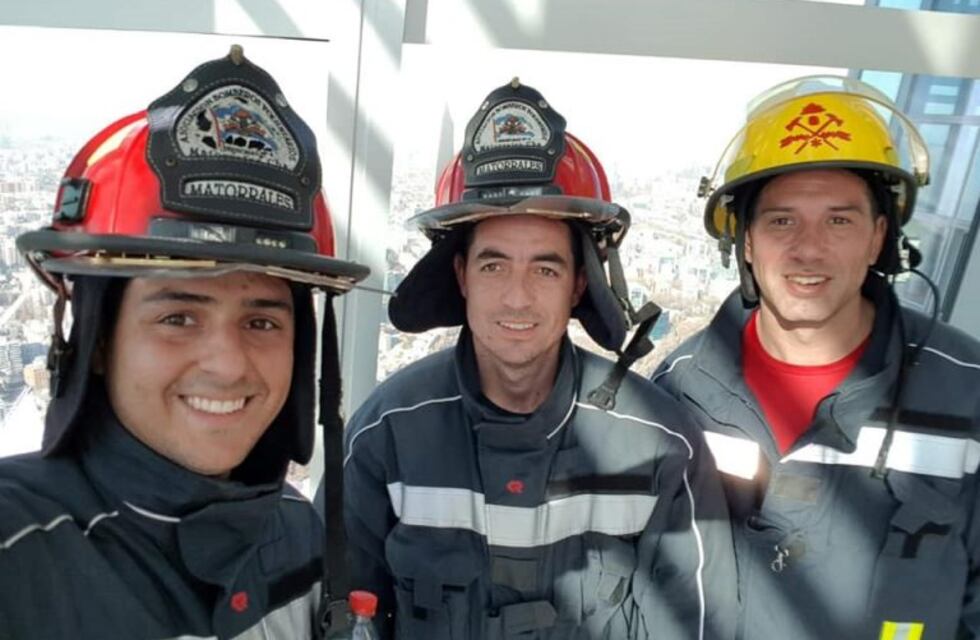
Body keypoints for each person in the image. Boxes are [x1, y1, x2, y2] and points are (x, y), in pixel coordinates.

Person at [336, 79, 735, 639]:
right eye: (494, 266)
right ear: (461, 277)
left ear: (578, 284)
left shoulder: (661, 446)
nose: (517, 298)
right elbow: (345, 616)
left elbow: (694, 625)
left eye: (544, 269)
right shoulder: (387, 433)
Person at [0, 47, 369, 639]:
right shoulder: (17, 554)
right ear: (96, 340)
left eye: (262, 322)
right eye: (178, 317)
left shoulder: (298, 533)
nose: (226, 365)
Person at [653, 75, 980, 639]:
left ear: (880, 237)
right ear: (746, 241)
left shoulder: (967, 397)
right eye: (782, 220)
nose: (809, 248)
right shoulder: (677, 394)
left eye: (839, 220)